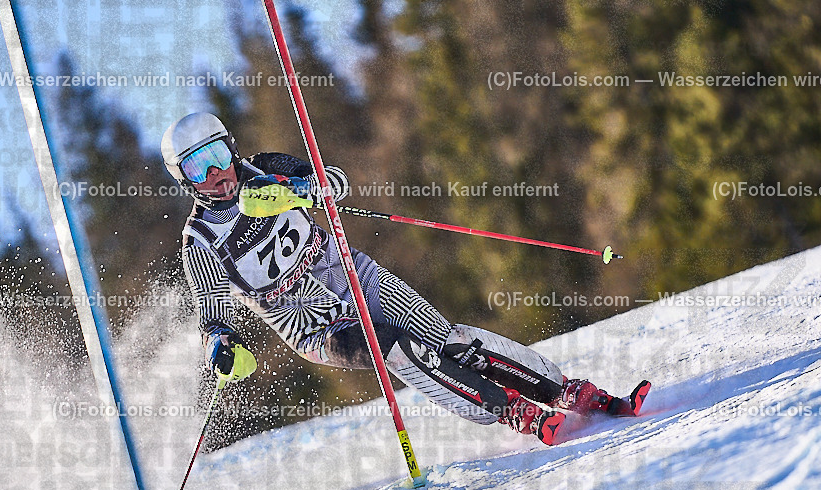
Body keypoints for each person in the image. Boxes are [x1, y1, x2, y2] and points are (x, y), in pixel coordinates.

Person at [161, 113, 647, 446]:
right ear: (184, 181)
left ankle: (572, 392)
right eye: (197, 168)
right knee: (397, 347)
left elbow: (336, 180)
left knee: (449, 341)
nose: (216, 175)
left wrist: (301, 191)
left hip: (351, 271)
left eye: (218, 156)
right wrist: (221, 345)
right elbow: (213, 310)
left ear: (231, 148)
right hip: (313, 322)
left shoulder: (264, 169)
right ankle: (512, 411)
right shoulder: (199, 239)